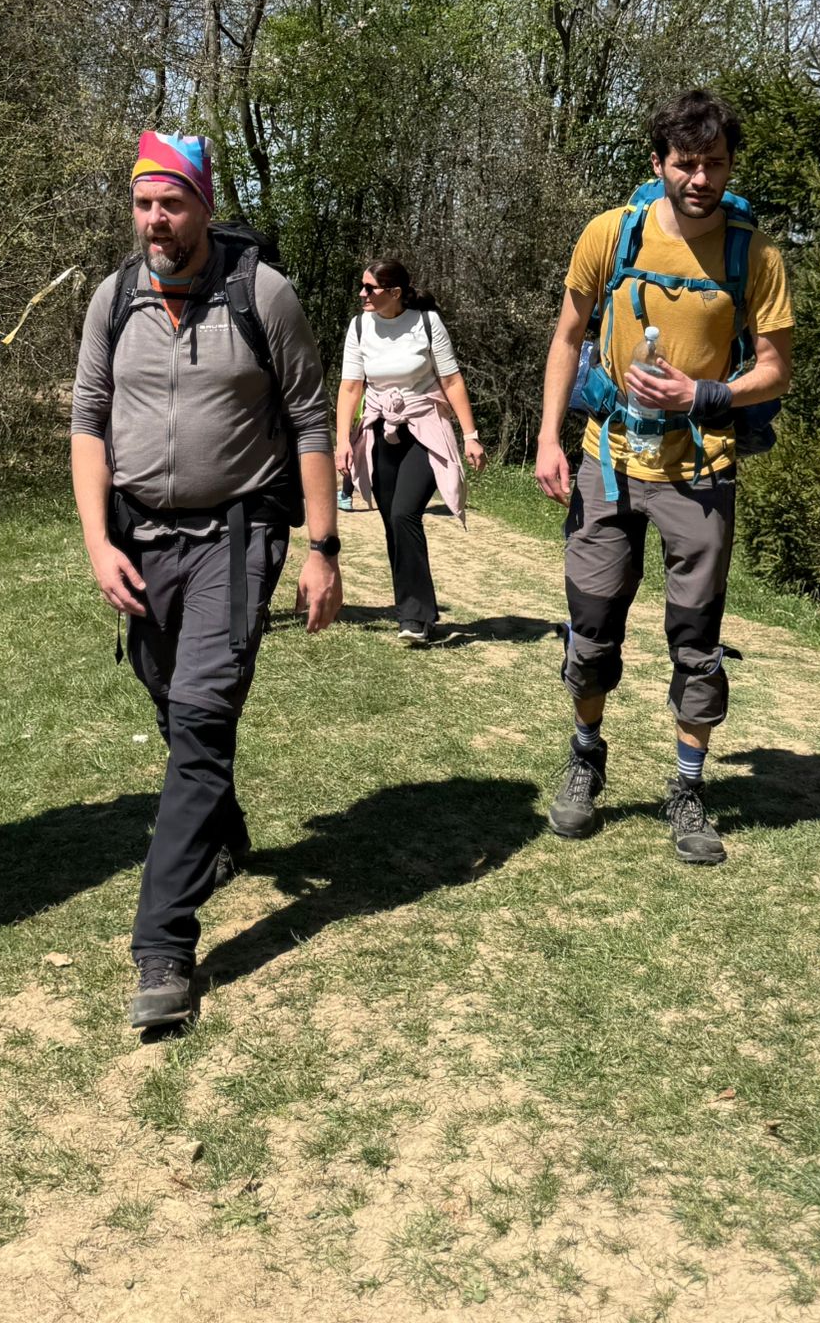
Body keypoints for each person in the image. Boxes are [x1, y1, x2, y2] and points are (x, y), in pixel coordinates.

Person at [71, 131, 342, 1031]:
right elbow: (88, 420)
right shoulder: (113, 298)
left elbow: (309, 419)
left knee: (199, 717)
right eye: (144, 203)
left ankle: (163, 945)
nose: (156, 219)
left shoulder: (264, 295)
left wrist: (323, 549)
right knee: (167, 696)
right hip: (138, 536)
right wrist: (96, 542)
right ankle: (219, 826)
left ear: (204, 206)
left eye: (172, 203)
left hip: (237, 535)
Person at [534, 91, 794, 866]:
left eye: (716, 163)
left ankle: (687, 789)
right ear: (659, 164)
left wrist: (702, 394)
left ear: (730, 166)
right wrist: (548, 437)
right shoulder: (610, 233)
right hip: (606, 462)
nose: (701, 178)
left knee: (697, 642)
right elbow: (567, 335)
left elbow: (776, 368)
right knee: (590, 631)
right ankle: (586, 756)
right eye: (686, 163)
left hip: (701, 470)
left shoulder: (756, 256)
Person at [334, 261, 487, 643]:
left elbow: (451, 380)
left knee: (405, 513)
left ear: (395, 293)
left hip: (425, 429)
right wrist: (342, 441)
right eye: (361, 286)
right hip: (380, 429)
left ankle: (417, 617)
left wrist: (470, 435)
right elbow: (350, 387)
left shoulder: (427, 323)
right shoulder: (359, 327)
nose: (362, 294)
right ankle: (414, 612)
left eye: (370, 288)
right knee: (392, 521)